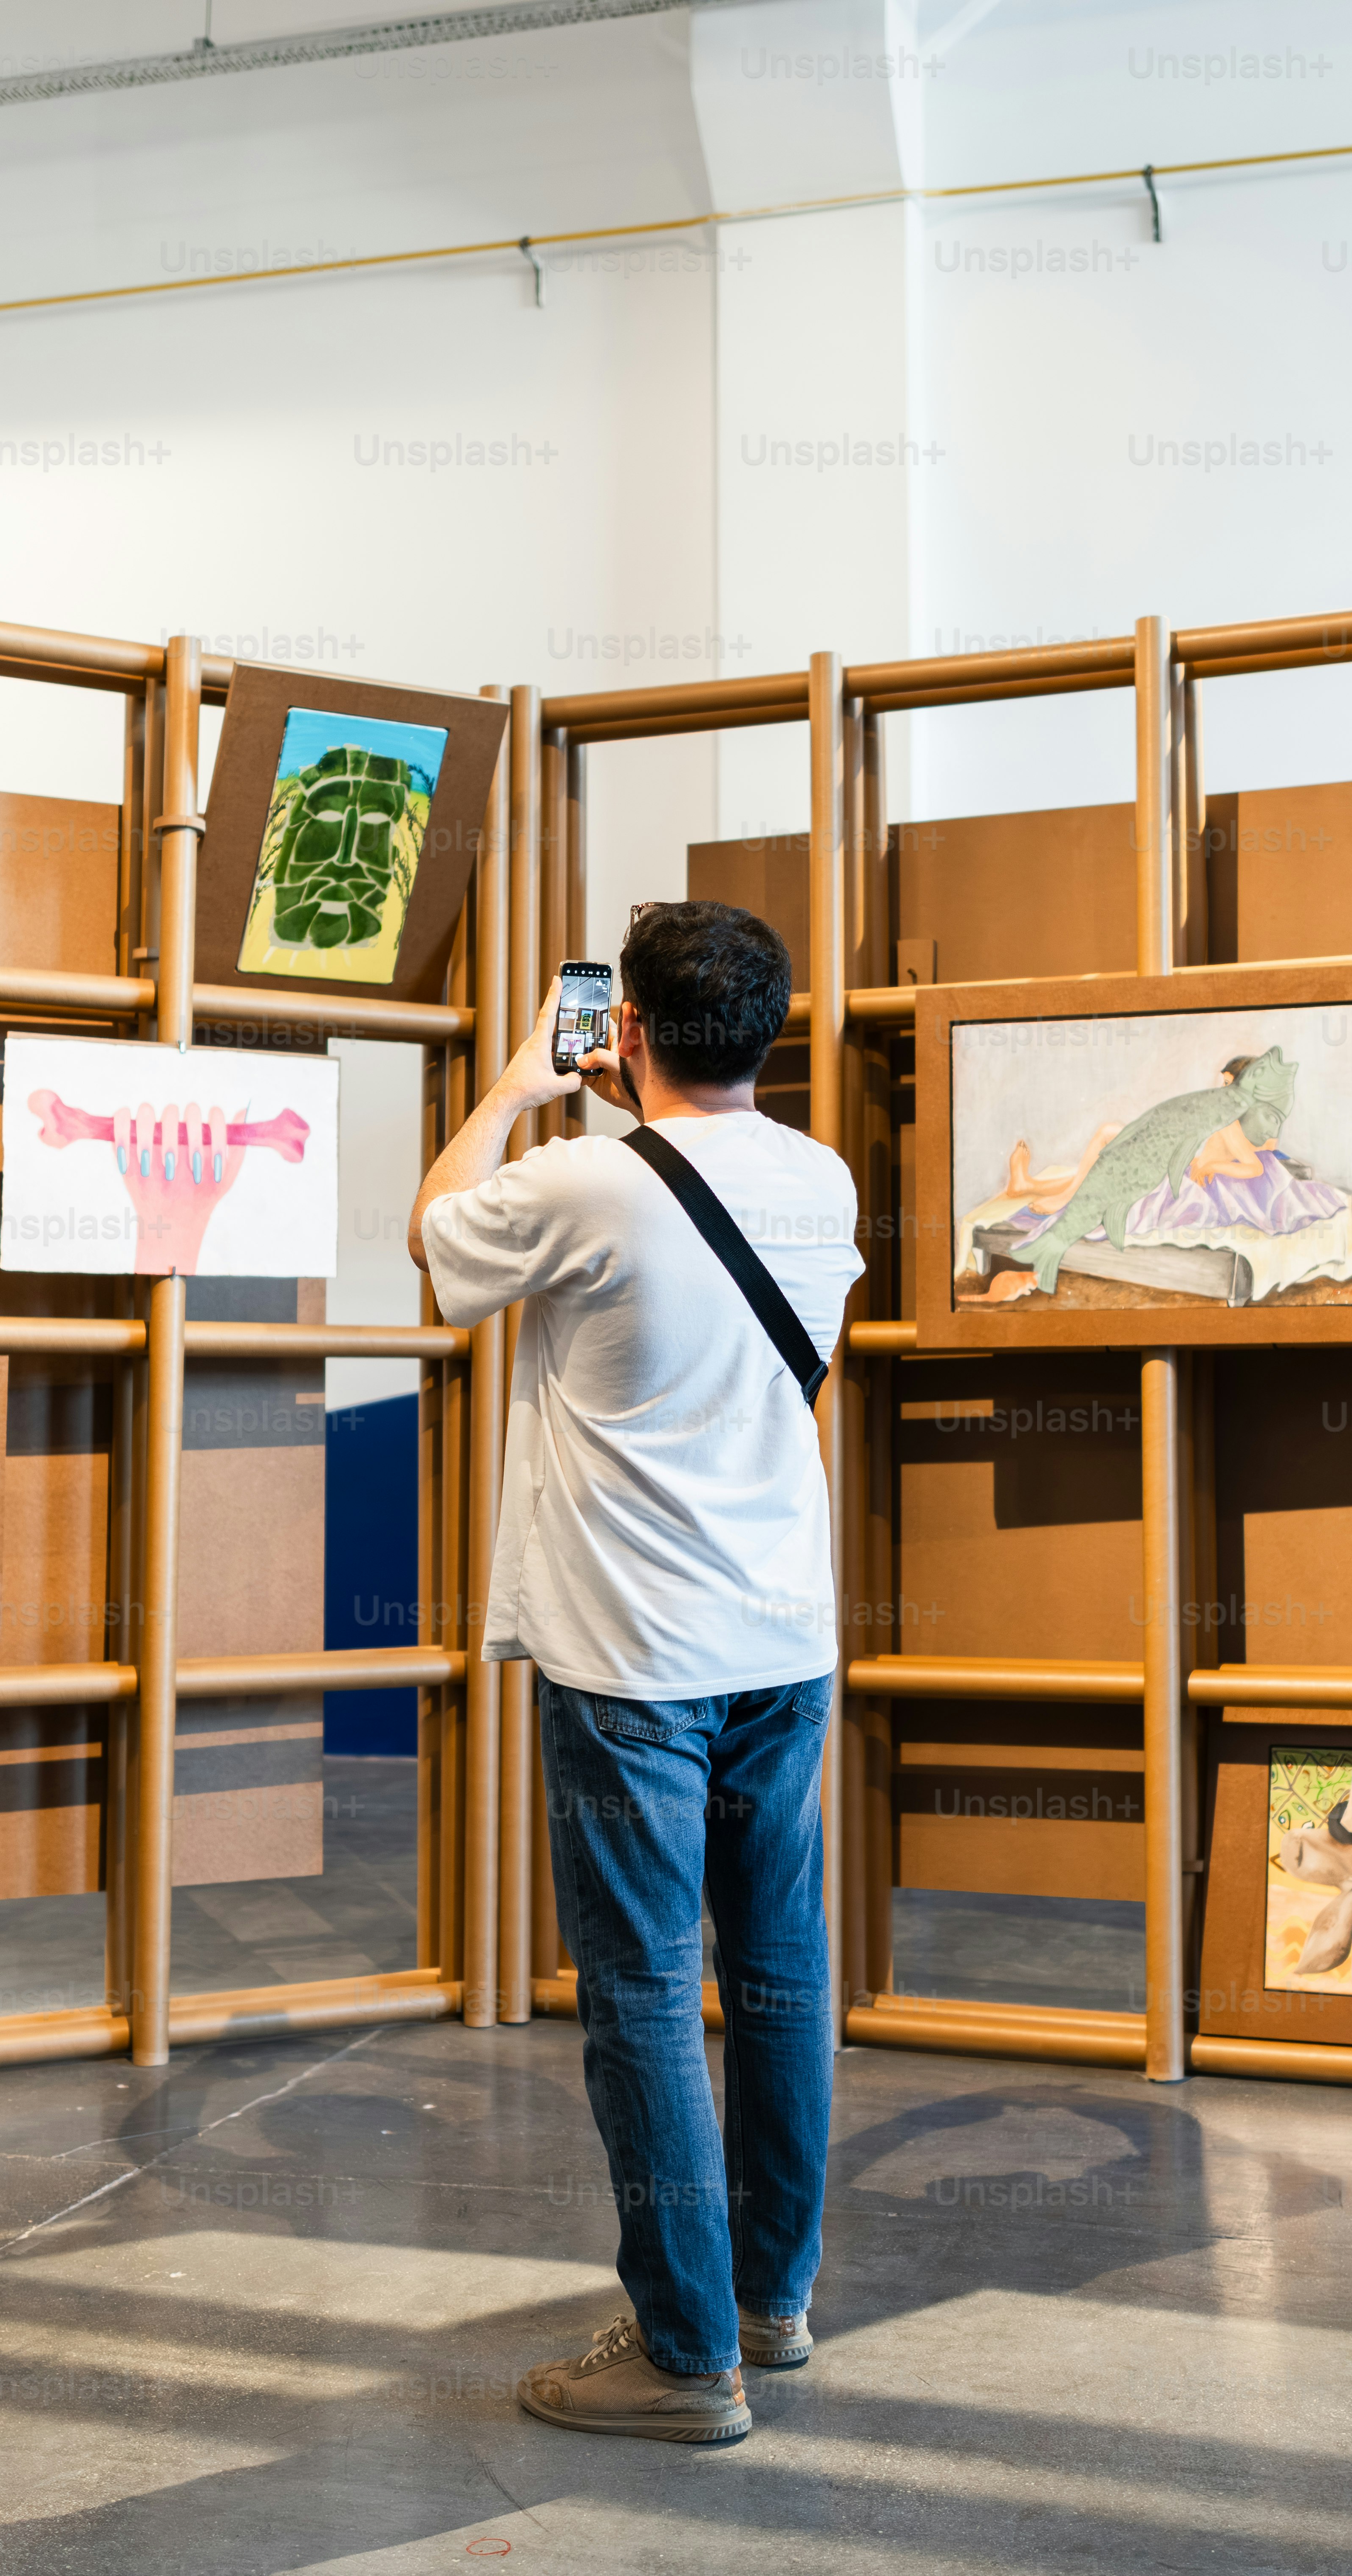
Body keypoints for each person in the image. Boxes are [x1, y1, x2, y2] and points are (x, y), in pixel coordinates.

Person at [407, 899, 862, 2446]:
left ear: (632, 1030)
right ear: (768, 1030)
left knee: (649, 1990)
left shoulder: (582, 1179)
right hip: (783, 1640)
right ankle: (768, 2305)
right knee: (781, 1975)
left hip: (633, 1656)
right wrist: (634, 1099)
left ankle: (681, 2356)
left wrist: (518, 1085)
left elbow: (436, 1235)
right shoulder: (820, 1176)